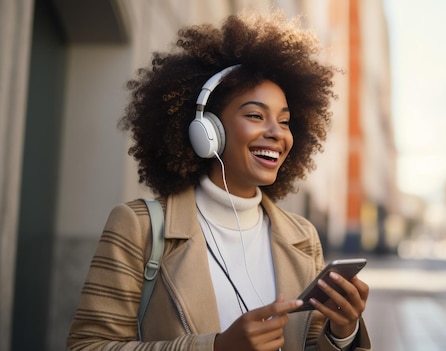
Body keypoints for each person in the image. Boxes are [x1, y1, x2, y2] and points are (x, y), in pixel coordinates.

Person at [66, 10, 371, 351]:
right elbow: (87, 345)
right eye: (255, 116)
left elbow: (311, 344)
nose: (276, 133)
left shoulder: (302, 238)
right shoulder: (139, 228)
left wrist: (343, 331)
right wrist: (215, 347)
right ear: (207, 131)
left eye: (284, 122)